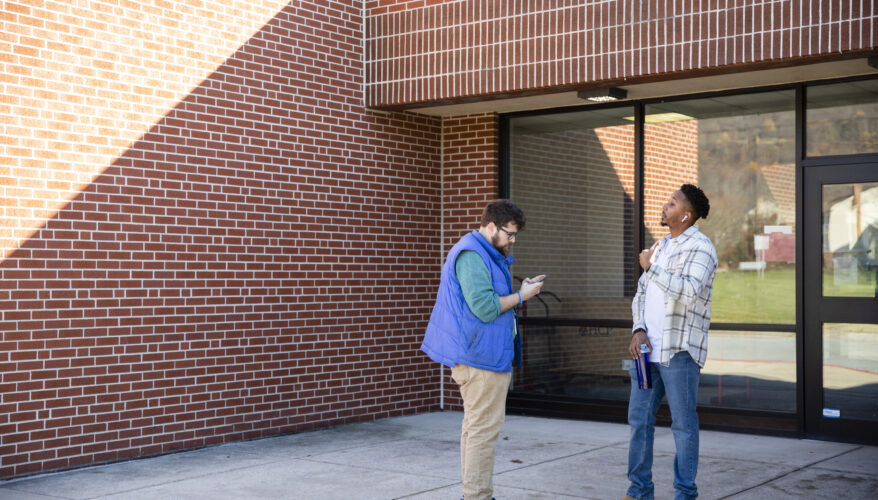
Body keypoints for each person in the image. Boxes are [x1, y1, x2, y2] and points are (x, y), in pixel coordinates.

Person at [421, 199, 544, 500]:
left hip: (483, 355)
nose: (512, 240)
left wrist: (519, 290)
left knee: (476, 430)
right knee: (483, 433)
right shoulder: (472, 254)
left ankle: (474, 495)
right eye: (509, 234)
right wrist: (521, 295)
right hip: (480, 359)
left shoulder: (484, 252)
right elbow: (486, 308)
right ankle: (477, 497)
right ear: (491, 227)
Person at [623, 184, 718, 500]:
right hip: (647, 353)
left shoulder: (701, 248)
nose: (666, 205)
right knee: (639, 421)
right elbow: (641, 294)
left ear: (687, 215)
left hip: (679, 352)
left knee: (683, 426)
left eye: (673, 202)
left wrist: (653, 267)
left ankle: (686, 494)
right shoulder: (659, 245)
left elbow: (689, 291)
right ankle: (639, 491)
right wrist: (638, 329)